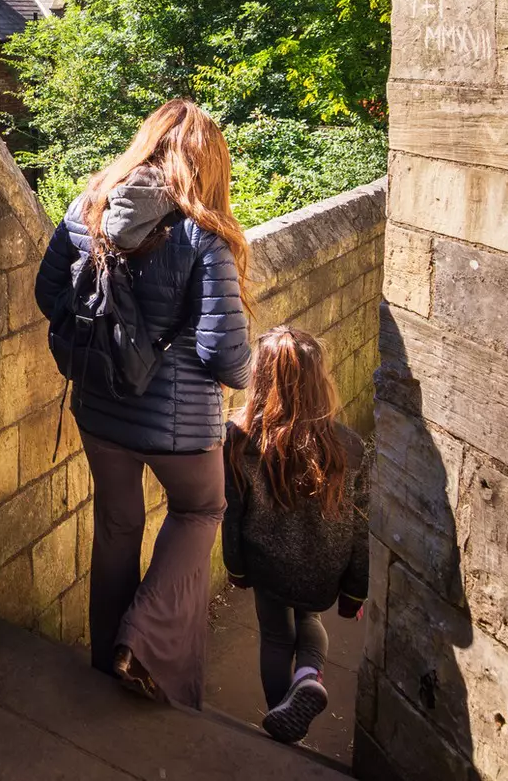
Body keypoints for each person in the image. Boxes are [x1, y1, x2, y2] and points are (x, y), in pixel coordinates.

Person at [34, 98, 253, 709]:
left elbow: (47, 289)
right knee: (201, 510)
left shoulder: (89, 209)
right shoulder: (202, 233)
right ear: (206, 161)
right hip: (179, 428)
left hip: (100, 409)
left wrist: (100, 338)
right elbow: (224, 356)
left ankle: (107, 663)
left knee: (117, 527)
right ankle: (143, 642)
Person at [223, 328, 370, 745]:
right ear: (319, 382)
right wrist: (356, 590)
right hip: (324, 566)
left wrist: (235, 567)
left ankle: (279, 717)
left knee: (274, 634)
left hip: (266, 562)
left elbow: (231, 513)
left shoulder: (239, 440)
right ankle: (308, 676)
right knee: (309, 619)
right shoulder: (351, 447)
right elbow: (362, 527)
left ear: (260, 379)